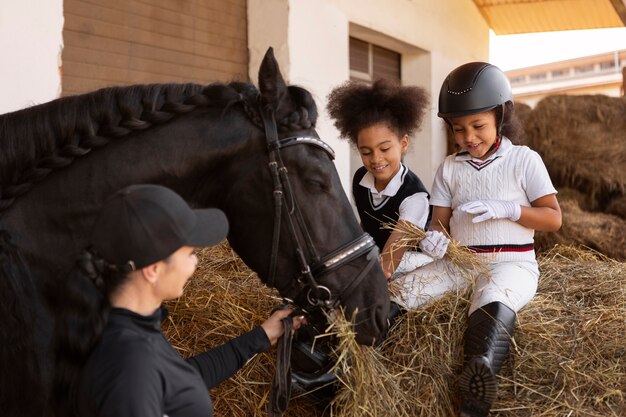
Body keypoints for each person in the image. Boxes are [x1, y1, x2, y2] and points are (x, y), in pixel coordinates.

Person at [394, 62, 562, 417]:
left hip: (511, 264)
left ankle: (478, 379)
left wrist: (511, 210)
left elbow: (553, 217)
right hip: (459, 263)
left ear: (500, 117)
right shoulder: (449, 168)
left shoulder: (523, 160)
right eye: (458, 129)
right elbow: (440, 223)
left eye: (478, 126)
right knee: (402, 292)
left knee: (492, 297)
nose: (468, 137)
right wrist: (433, 241)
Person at [50, 184, 304, 417]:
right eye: (191, 253)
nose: (196, 262)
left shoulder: (128, 331)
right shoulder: (130, 366)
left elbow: (179, 381)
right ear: (153, 269)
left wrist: (261, 335)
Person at [326, 78, 433, 283]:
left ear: (403, 143)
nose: (376, 159)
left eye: (384, 149)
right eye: (366, 152)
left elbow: (392, 257)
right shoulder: (360, 179)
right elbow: (366, 225)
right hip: (376, 257)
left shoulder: (414, 197)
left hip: (409, 264)